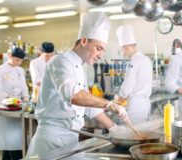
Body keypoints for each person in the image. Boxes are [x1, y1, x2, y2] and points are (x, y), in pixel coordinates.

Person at [26, 12, 129, 157]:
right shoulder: (60, 61)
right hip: (51, 140)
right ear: (84, 41)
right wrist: (109, 104)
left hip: (71, 139)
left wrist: (113, 127)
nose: (100, 55)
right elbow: (73, 95)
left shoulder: (80, 67)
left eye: (103, 50)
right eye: (98, 48)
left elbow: (87, 105)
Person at [0, 47, 29, 160]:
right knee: (9, 142)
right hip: (4, 108)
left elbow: (23, 86)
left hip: (18, 108)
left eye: (20, 61)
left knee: (14, 142)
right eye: (16, 60)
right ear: (9, 56)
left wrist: (26, 96)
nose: (18, 63)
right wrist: (10, 98)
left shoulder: (20, 70)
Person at [115, 25, 153, 124]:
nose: (124, 53)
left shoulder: (133, 62)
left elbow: (128, 85)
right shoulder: (146, 59)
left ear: (127, 48)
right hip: (145, 104)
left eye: (123, 50)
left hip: (135, 106)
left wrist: (118, 100)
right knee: (142, 132)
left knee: (132, 134)